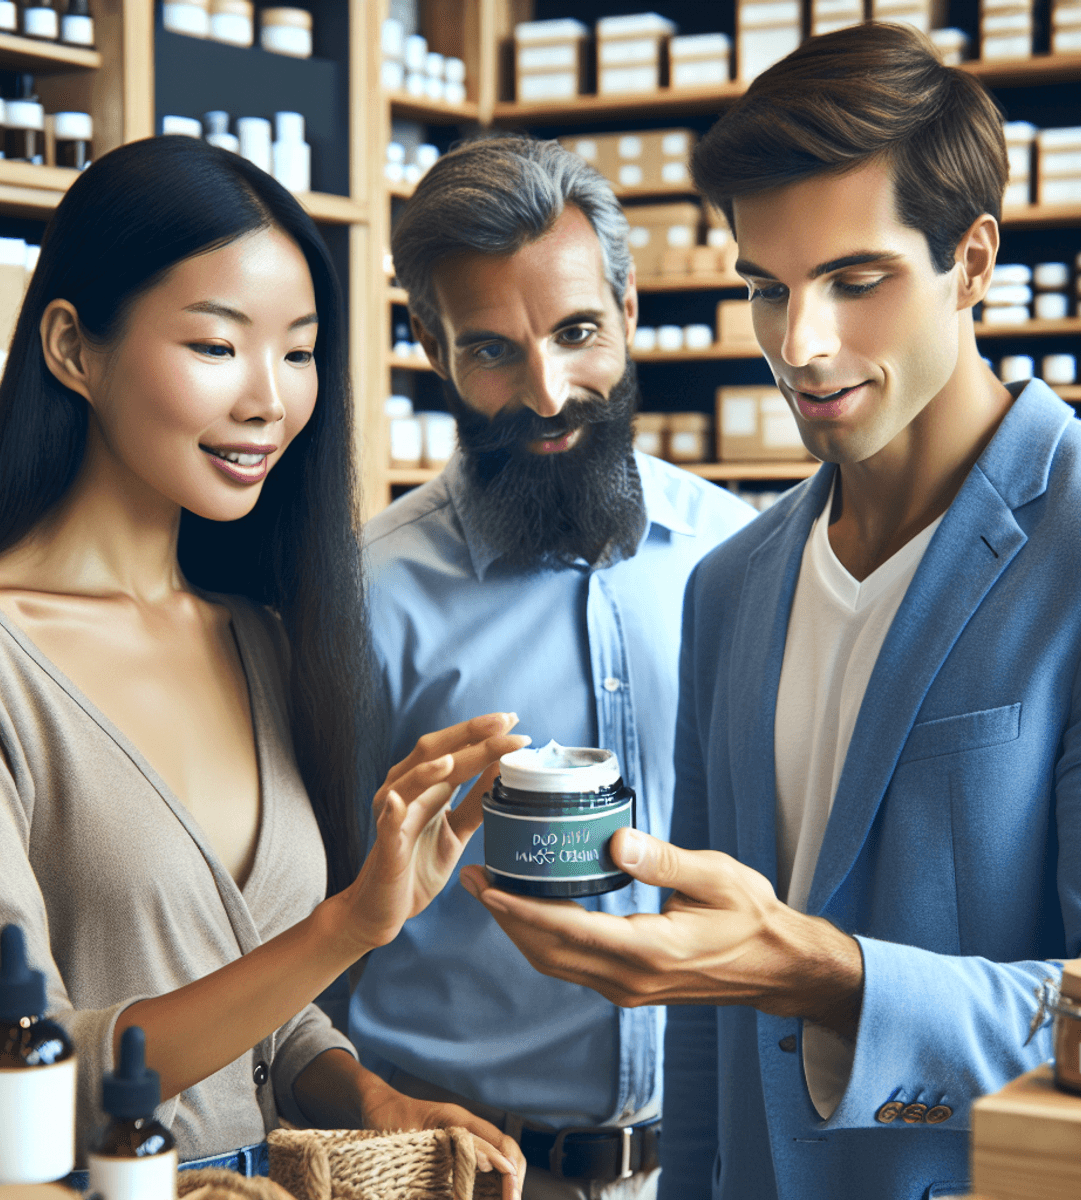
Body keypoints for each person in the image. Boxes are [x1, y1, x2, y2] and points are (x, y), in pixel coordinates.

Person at [460, 23, 1081, 1200]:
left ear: (972, 262)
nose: (800, 347)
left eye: (855, 281)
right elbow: (712, 1026)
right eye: (767, 288)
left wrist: (821, 971)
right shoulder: (733, 582)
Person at [0, 134, 529, 1194]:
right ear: (72, 349)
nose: (270, 401)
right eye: (217, 346)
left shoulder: (258, 636)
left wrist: (358, 1090)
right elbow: (2, 1073)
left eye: (298, 352)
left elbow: (258, 1008)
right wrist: (352, 925)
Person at [347, 136, 754, 1200]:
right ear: (435, 351)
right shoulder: (369, 598)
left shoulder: (743, 555)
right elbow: (306, 921)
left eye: (578, 331)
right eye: (492, 351)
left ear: (626, 309)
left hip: (713, 1161)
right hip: (466, 1170)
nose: (547, 390)